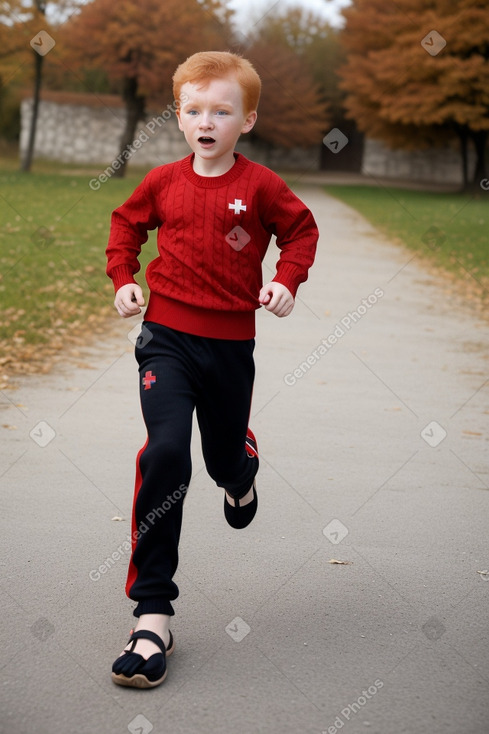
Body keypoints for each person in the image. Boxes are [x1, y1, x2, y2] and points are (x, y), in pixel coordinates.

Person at [106, 50, 318, 689]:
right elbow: (125, 227)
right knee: (167, 452)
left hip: (230, 348)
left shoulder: (259, 186)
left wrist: (286, 281)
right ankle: (152, 615)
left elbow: (300, 230)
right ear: (179, 116)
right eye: (194, 109)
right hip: (165, 339)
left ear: (246, 120)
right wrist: (123, 281)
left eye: (221, 110)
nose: (207, 120)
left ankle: (240, 468)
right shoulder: (164, 182)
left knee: (220, 456)